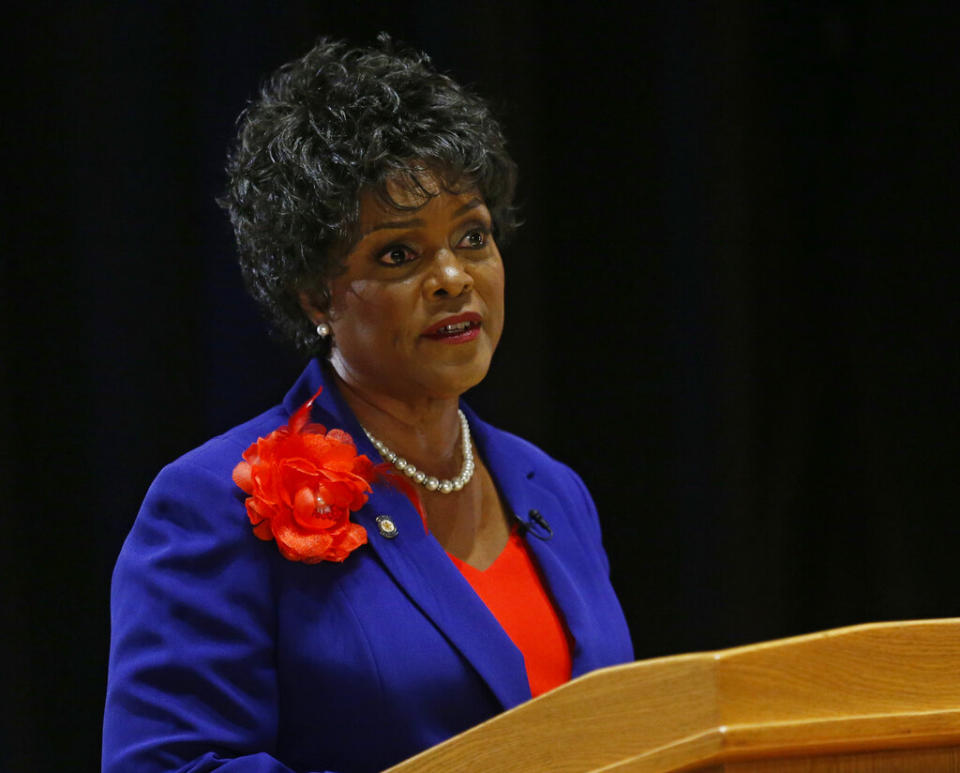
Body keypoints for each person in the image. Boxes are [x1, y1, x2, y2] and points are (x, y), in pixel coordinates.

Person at [102, 35, 633, 773]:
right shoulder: (211, 505)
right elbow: (169, 765)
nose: (452, 277)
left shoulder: (557, 493)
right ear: (317, 294)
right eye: (399, 254)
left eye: (472, 236)